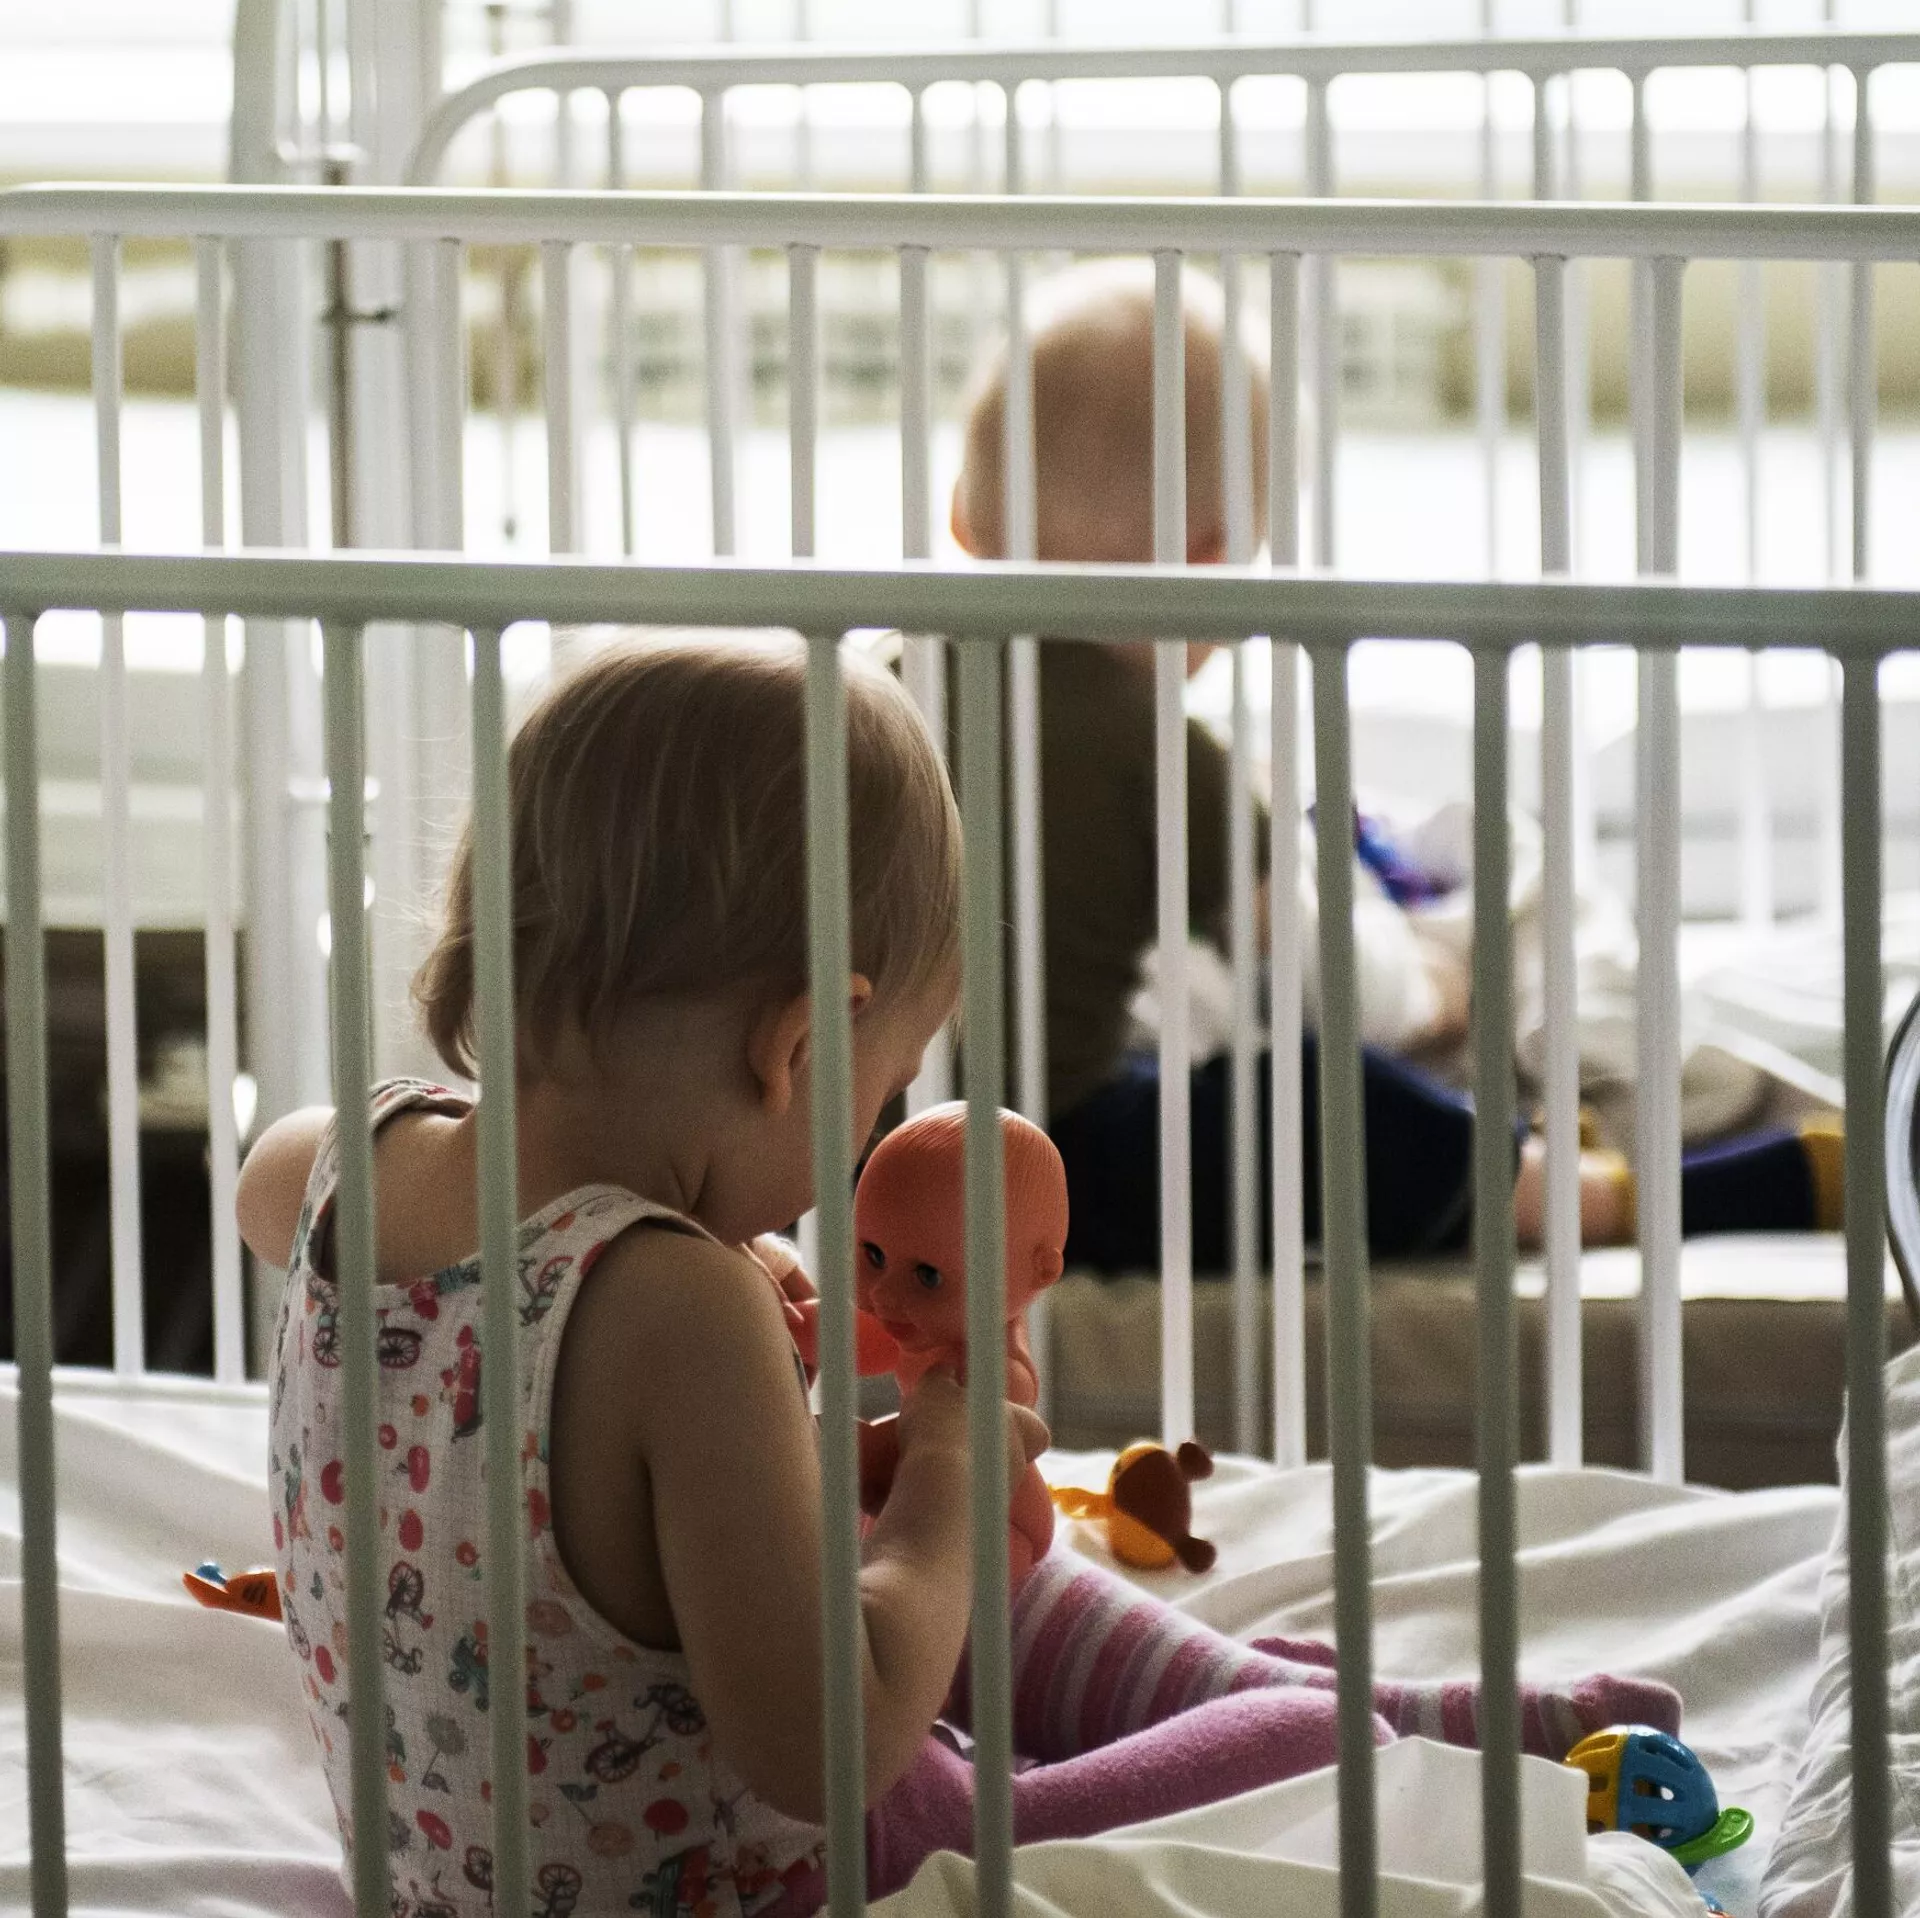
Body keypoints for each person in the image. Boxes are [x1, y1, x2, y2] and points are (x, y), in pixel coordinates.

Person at [240, 636, 1677, 1918]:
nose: (870, 1130)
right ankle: (1386, 1730)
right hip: (776, 1871)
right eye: (885, 1085)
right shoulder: (678, 1307)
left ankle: (1330, 1693)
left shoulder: (335, 1161)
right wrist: (947, 1487)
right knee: (1296, 1752)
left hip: (442, 1870)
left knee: (935, 1565)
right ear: (800, 1047)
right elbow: (830, 1749)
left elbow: (325, 1213)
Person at [949, 261, 1846, 1271]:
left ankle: (1506, 1152)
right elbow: (1324, 977)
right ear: (1207, 561)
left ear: (960, 517)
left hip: (876, 1145)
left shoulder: (884, 687)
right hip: (1052, 1168)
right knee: (1323, 1103)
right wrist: (1428, 987)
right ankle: (1608, 1197)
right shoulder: (1170, 762)